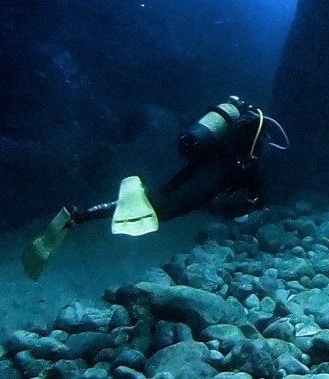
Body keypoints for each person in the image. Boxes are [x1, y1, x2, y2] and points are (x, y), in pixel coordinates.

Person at [22, 96, 288, 279]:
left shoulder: (226, 144)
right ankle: (79, 215)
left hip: (193, 172)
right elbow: (248, 192)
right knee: (156, 212)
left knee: (156, 198)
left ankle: (83, 212)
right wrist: (251, 202)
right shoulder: (246, 159)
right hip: (205, 183)